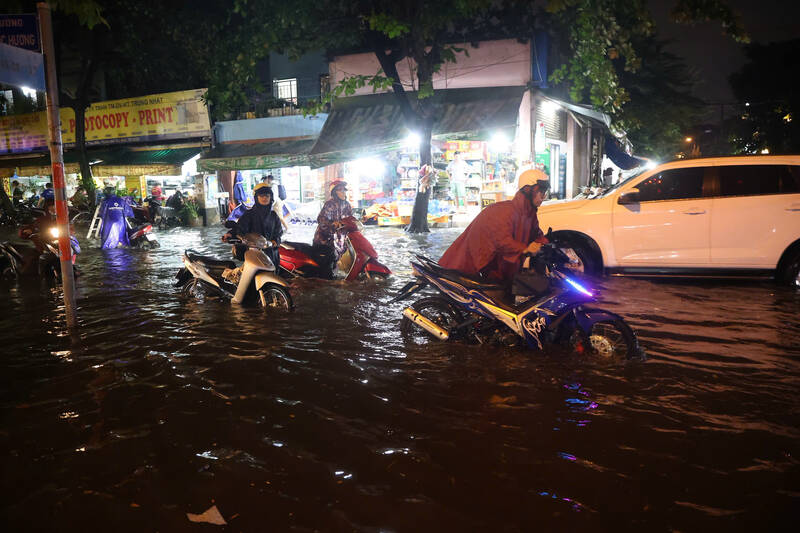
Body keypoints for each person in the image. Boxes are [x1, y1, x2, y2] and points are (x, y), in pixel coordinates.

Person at [438, 169, 550, 285]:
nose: (543, 196)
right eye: (541, 192)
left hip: (497, 267)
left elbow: (537, 234)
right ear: (529, 190)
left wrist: (547, 243)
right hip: (475, 263)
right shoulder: (504, 212)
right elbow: (502, 241)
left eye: (544, 192)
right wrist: (525, 248)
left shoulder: (529, 214)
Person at [222, 183, 282, 268]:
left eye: (267, 196)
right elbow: (240, 229)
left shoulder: (274, 216)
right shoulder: (249, 214)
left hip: (272, 255)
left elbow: (279, 234)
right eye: (261, 196)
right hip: (254, 254)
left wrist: (274, 242)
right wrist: (230, 234)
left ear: (271, 198)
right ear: (256, 197)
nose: (264, 198)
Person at [313, 180, 352, 258]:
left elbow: (350, 219)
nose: (343, 192)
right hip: (324, 240)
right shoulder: (329, 204)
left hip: (340, 240)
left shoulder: (347, 205)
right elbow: (321, 219)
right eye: (340, 190)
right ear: (334, 192)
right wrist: (333, 223)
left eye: (344, 189)